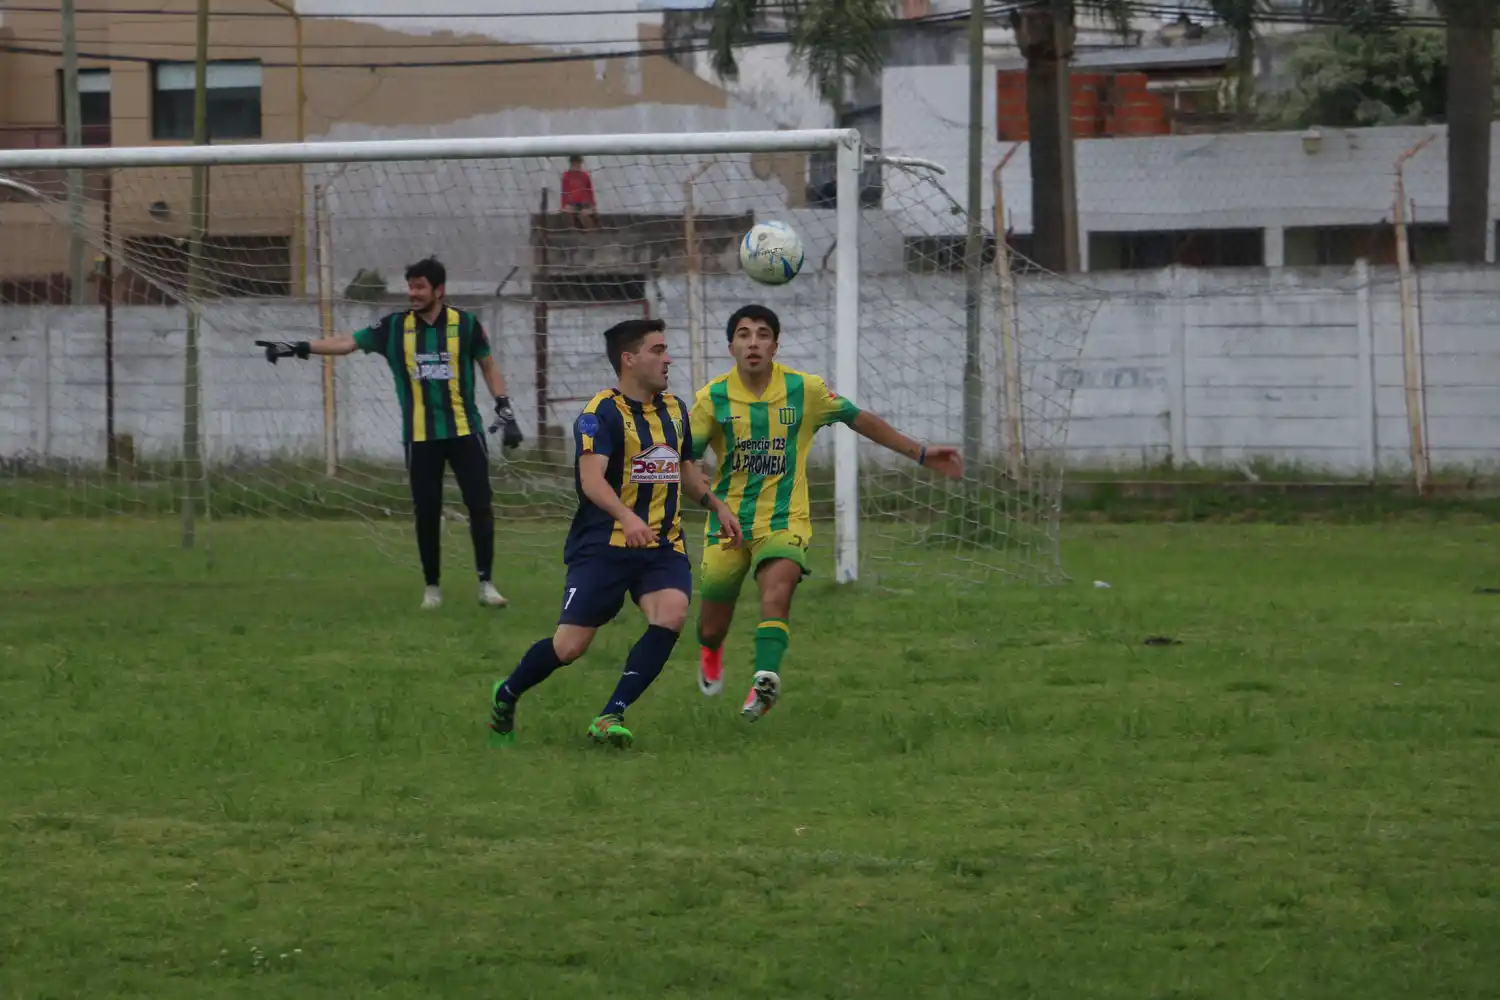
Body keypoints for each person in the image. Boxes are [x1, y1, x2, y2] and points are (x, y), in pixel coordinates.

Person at [686, 304, 965, 719]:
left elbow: (859, 419)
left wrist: (920, 452)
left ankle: (764, 680)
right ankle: (711, 651)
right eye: (744, 335)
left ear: (776, 345)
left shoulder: (806, 390)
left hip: (784, 519)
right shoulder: (712, 399)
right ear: (731, 347)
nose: (753, 342)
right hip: (728, 523)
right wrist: (704, 495)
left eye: (763, 334)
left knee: (777, 594)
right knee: (711, 624)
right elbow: (683, 462)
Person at [487, 317, 742, 749]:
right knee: (569, 647)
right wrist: (626, 516)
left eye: (666, 349)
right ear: (630, 359)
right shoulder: (600, 414)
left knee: (672, 614)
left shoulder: (677, 410)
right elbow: (592, 480)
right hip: (603, 547)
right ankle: (507, 694)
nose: (668, 358)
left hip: (662, 544)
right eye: (658, 350)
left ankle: (611, 714)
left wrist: (716, 504)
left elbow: (685, 471)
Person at [254, 256, 524, 610]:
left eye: (419, 287)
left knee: (480, 505)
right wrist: (300, 347)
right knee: (426, 511)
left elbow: (488, 365)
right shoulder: (394, 328)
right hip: (420, 436)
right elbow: (348, 343)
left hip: (465, 432)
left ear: (438, 290)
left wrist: (504, 406)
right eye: (410, 286)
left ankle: (486, 584)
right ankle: (432, 588)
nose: (412, 293)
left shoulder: (467, 324)